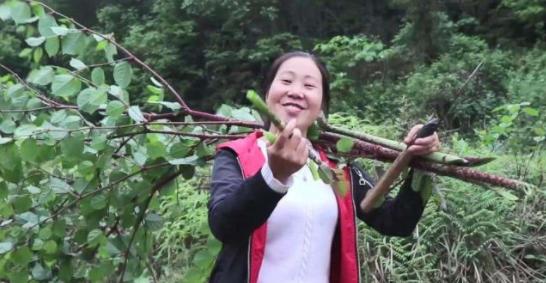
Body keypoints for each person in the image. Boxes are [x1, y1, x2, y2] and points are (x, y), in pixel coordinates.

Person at [207, 51, 440, 283]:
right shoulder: (237, 154)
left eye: (309, 86)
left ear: (321, 107)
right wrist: (273, 177)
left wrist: (422, 162)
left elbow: (396, 222)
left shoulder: (335, 166)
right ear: (267, 94)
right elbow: (224, 226)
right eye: (286, 81)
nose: (296, 92)